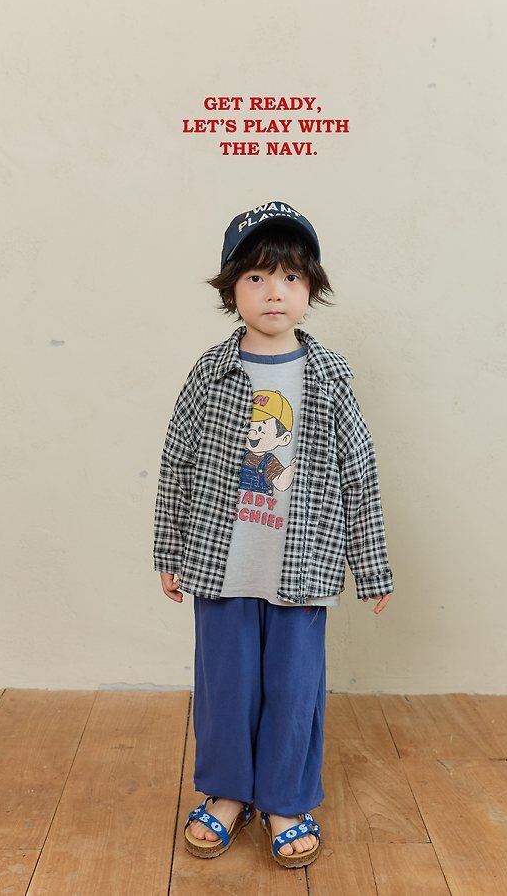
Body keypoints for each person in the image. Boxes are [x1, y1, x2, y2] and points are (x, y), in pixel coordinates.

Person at [153, 200, 395, 868]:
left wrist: (372, 567)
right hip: (222, 564)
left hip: (303, 567)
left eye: (290, 277)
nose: (273, 292)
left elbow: (359, 473)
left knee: (293, 691)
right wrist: (169, 550)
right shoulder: (210, 374)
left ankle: (287, 799)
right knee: (225, 687)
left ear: (311, 288)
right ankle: (229, 793)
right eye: (256, 277)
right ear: (231, 289)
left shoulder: (330, 379)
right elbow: (177, 462)